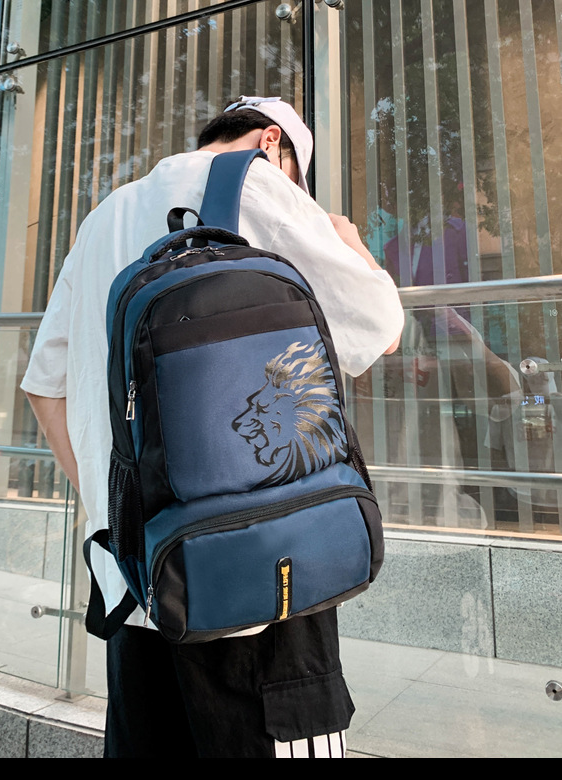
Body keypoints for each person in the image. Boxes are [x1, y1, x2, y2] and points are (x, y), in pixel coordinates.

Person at [22, 96, 404, 758]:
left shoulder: (103, 215)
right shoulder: (255, 182)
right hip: (261, 584)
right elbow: (379, 329)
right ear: (271, 142)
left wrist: (128, 514)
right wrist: (348, 240)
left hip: (137, 587)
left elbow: (43, 388)